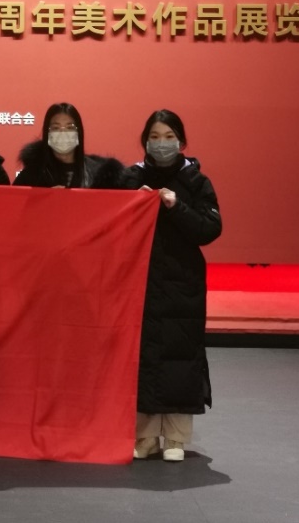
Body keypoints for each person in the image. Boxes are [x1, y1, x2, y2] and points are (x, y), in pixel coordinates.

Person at [93, 109, 221, 462]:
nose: (161, 143)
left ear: (181, 141)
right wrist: (134, 203)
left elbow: (210, 229)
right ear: (144, 141)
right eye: (154, 136)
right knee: (144, 356)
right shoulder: (131, 177)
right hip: (140, 280)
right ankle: (146, 436)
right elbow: (110, 223)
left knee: (181, 358)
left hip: (183, 282)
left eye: (168, 136)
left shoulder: (196, 181)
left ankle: (176, 438)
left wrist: (176, 206)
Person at [13, 102, 106, 188]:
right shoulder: (32, 174)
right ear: (47, 134)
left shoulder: (98, 174)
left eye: (70, 127)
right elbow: (15, 199)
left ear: (79, 132)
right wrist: (45, 197)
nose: (63, 133)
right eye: (56, 128)